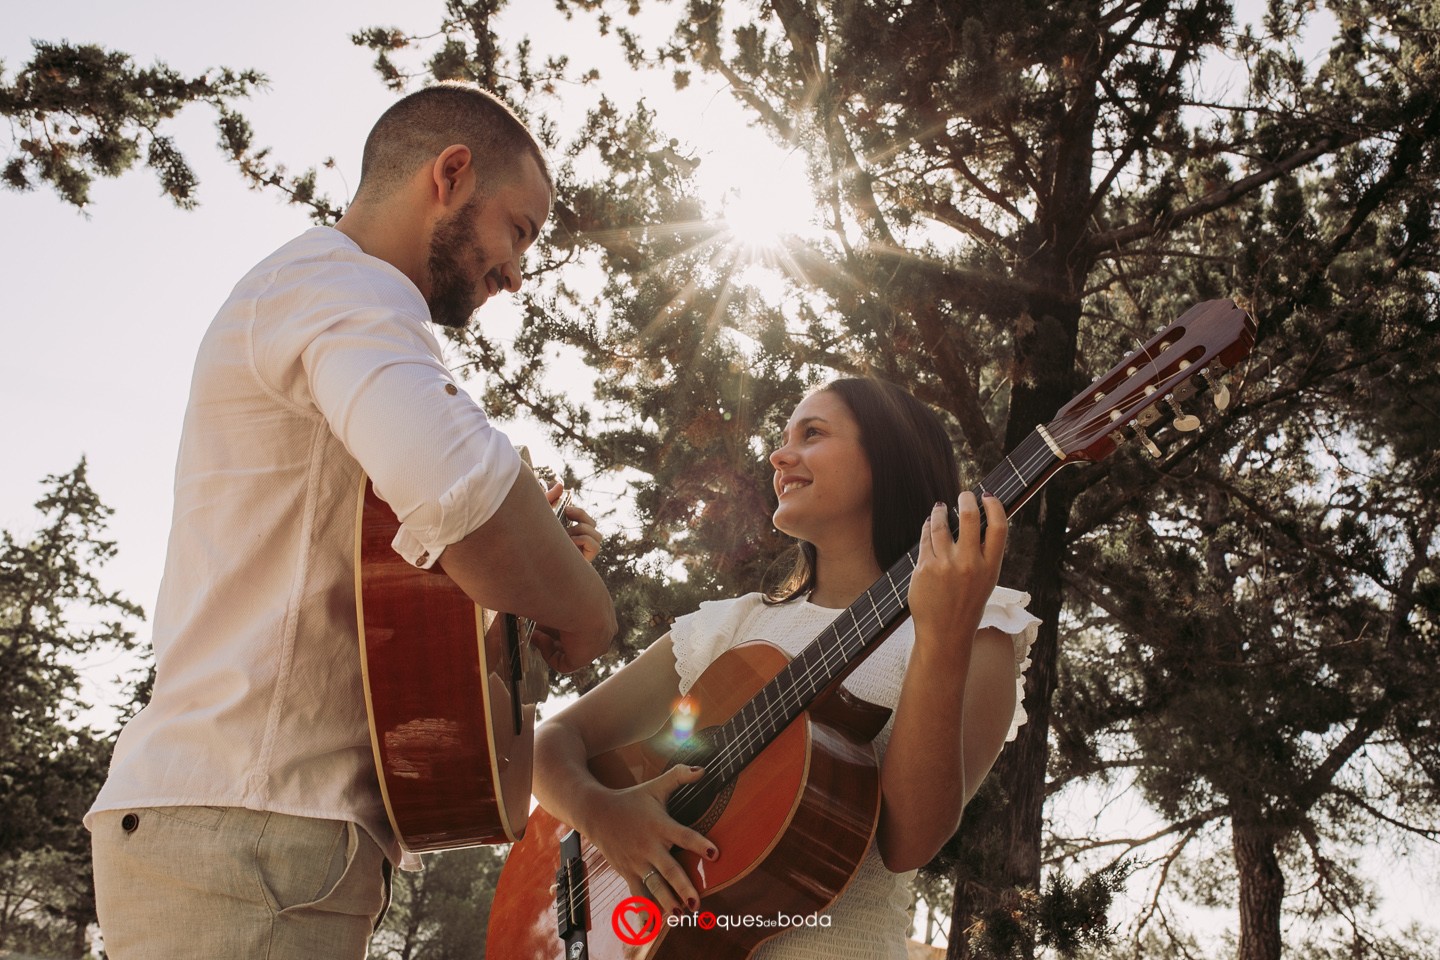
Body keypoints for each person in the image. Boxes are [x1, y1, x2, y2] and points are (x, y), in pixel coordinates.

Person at [86, 83, 617, 959]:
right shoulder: (344, 291)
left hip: (259, 839)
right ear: (450, 175)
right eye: (517, 231)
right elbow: (465, 496)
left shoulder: (328, 304)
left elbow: (402, 598)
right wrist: (585, 606)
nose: (517, 272)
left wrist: (523, 596)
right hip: (252, 835)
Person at [530, 377, 1040, 958]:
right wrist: (604, 815)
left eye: (813, 433)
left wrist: (943, 635)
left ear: (888, 458)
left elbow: (908, 842)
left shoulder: (977, 627)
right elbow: (552, 742)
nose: (777, 454)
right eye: (783, 436)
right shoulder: (726, 627)